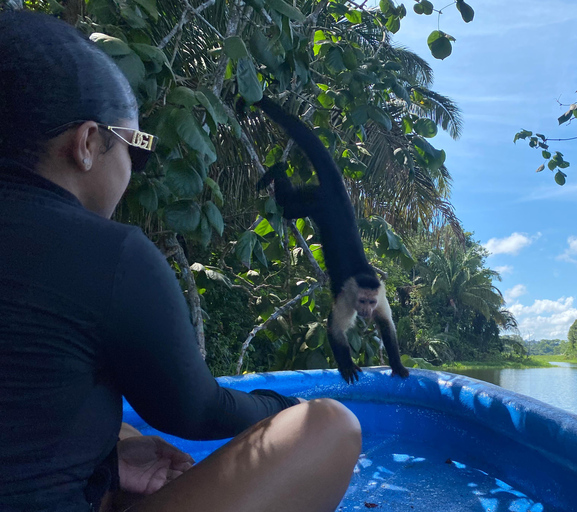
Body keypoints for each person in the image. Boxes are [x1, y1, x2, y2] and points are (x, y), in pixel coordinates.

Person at [0, 10, 361, 512]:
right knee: (331, 427)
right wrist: (286, 407)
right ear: (85, 145)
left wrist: (108, 461)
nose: (135, 169)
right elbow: (197, 411)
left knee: (119, 423)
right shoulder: (109, 253)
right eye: (136, 148)